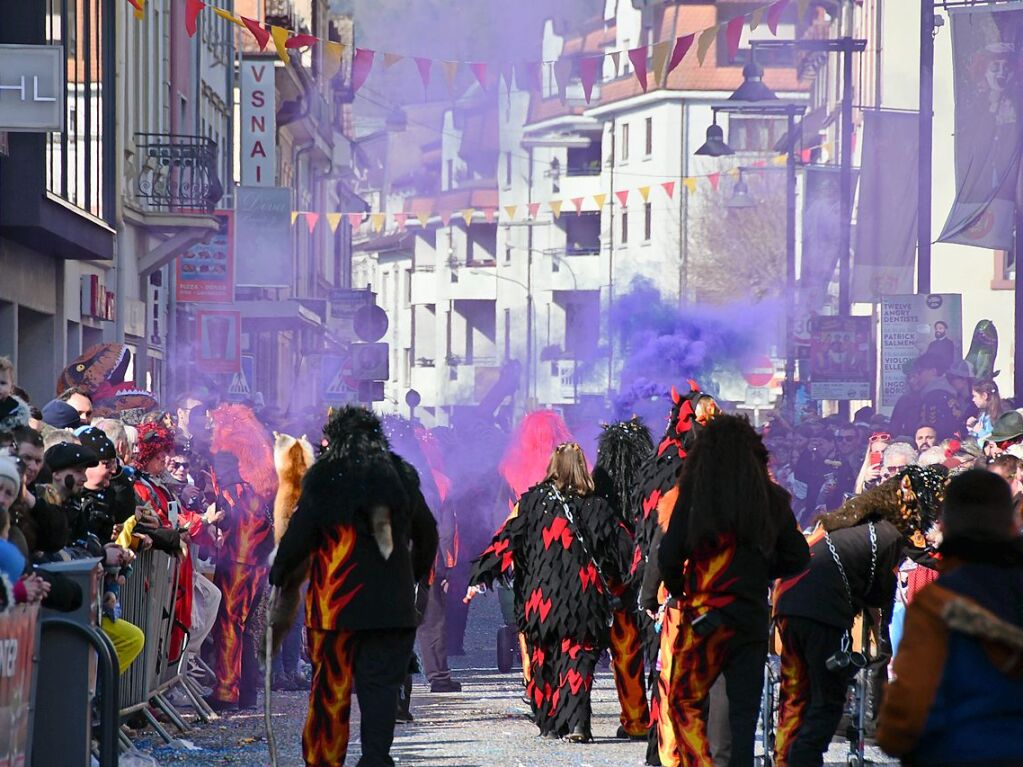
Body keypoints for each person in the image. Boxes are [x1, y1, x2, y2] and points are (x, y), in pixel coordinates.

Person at [269, 406, 438, 767]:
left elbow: (300, 534)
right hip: (391, 608)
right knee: (381, 693)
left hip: (337, 609)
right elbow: (428, 534)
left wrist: (281, 571)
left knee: (331, 691)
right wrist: (414, 575)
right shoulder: (401, 475)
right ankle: (376, 759)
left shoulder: (325, 477)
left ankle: (326, 760)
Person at [658, 414, 810, 767]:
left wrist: (681, 588)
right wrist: (760, 572)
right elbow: (798, 556)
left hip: (704, 617)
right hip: (750, 618)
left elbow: (668, 555)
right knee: (743, 716)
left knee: (686, 703)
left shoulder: (695, 496)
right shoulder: (770, 498)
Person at [772, 465, 946, 767]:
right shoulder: (892, 533)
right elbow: (883, 592)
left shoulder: (857, 521)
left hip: (788, 604)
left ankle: (787, 758)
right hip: (819, 610)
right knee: (827, 697)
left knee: (797, 691)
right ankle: (802, 760)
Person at [467, 442, 629, 742]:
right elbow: (622, 550)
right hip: (584, 599)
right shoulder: (598, 506)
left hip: (541, 600)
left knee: (544, 658)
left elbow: (506, 541)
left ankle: (551, 723)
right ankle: (578, 723)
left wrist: (479, 577)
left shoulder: (532, 503)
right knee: (578, 658)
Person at [877, 470, 1023, 765]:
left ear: (948, 524)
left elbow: (907, 714)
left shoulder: (937, 603)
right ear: (1010, 523)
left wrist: (891, 736)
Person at [592, 418, 654, 740]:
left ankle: (635, 719)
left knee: (626, 651)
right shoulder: (657, 484)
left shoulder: (599, 494)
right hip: (653, 575)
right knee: (658, 652)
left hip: (618, 580)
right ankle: (661, 716)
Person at [969, 379, 1009, 447]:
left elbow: (998, 439)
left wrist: (980, 432)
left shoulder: (1001, 414)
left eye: (975, 396)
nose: (973, 399)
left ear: (984, 396)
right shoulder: (983, 413)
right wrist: (972, 428)